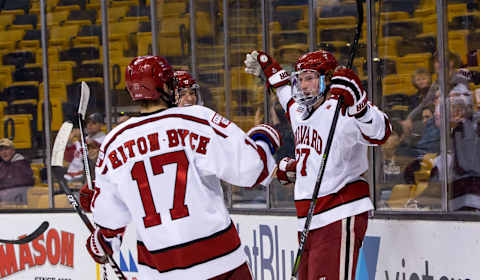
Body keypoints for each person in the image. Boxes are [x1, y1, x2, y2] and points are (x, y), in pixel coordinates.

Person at [81, 55, 281, 279]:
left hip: (160, 270)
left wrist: (103, 240)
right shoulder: (196, 119)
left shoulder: (113, 141)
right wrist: (264, 137)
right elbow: (253, 170)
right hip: (220, 264)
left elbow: (109, 221)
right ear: (165, 86)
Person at [244, 49, 391, 280]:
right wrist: (270, 70)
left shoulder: (343, 108)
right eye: (300, 79)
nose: (303, 86)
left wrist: (360, 106)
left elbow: (381, 133)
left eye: (310, 78)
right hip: (308, 220)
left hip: (338, 211)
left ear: (328, 79)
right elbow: (284, 93)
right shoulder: (299, 111)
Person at [64, 112, 106, 181]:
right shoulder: (85, 138)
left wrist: (80, 138)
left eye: (94, 123)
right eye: (88, 123)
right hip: (72, 175)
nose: (89, 125)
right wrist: (69, 142)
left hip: (89, 177)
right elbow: (67, 158)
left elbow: (93, 146)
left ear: (101, 125)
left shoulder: (104, 139)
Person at [0, 138, 34, 205]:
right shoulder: (2, 166)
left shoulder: (21, 164)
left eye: (6, 149)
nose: (4, 152)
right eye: (1, 150)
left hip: (18, 201)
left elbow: (17, 183)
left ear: (13, 151)